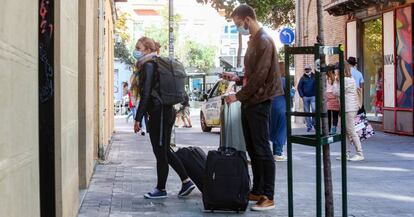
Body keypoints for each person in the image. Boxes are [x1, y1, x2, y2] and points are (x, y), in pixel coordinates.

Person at [221, 4, 283, 211]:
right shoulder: (255, 41)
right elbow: (252, 75)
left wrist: (237, 96)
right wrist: (238, 78)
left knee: (262, 148)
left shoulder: (264, 41)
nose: (239, 28)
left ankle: (269, 195)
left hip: (260, 101)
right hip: (251, 100)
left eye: (238, 24)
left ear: (247, 19)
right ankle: (257, 189)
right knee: (253, 147)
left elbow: (260, 77)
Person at [133, 36, 195, 199]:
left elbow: (146, 93)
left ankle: (161, 189)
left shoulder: (149, 66)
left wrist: (138, 118)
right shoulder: (154, 64)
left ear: (147, 50)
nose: (136, 51)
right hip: (165, 111)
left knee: (161, 152)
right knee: (164, 150)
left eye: (138, 48)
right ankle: (186, 181)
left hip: (159, 113)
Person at [333, 62, 365, 161]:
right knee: (345, 131)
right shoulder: (345, 79)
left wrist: (335, 80)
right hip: (346, 108)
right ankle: (346, 153)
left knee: (351, 130)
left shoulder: (346, 80)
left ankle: (360, 153)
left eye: (336, 69)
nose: (334, 71)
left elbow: (336, 92)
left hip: (349, 108)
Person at [270, 73, 287, 162]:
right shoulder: (283, 80)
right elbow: (289, 94)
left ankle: (275, 152)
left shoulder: (270, 80)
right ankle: (278, 153)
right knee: (281, 130)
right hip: (282, 106)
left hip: (271, 106)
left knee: (274, 129)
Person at [298, 64, 316, 132]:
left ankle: (314, 123)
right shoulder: (302, 78)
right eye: (306, 69)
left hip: (313, 96)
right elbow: (299, 87)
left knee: (314, 110)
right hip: (305, 97)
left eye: (308, 69)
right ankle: (309, 126)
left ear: (310, 69)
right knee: (307, 112)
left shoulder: (314, 76)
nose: (307, 70)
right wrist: (302, 96)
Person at [326, 64, 340, 134]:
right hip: (335, 96)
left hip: (327, 97)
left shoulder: (325, 77)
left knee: (328, 116)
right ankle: (334, 130)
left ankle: (328, 130)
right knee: (335, 115)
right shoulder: (336, 77)